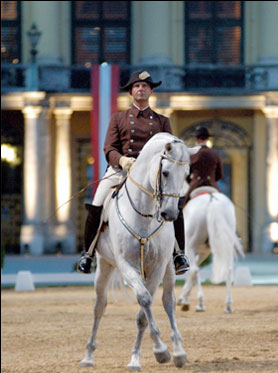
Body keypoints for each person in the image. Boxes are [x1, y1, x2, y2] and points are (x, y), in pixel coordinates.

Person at [77, 70, 190, 275]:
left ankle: (178, 254)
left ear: (151, 91)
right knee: (97, 205)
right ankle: (89, 253)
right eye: (137, 86)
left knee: (175, 204)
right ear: (131, 92)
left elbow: (170, 150)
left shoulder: (162, 121)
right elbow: (109, 148)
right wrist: (122, 160)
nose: (141, 89)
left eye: (145, 86)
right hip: (121, 170)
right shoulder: (118, 118)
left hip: (151, 175)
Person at [185, 127, 224, 201]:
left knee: (182, 205)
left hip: (196, 185)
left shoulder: (193, 154)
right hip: (212, 185)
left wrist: (192, 181)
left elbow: (187, 173)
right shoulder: (215, 154)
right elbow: (220, 175)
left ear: (197, 139)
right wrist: (212, 179)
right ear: (208, 139)